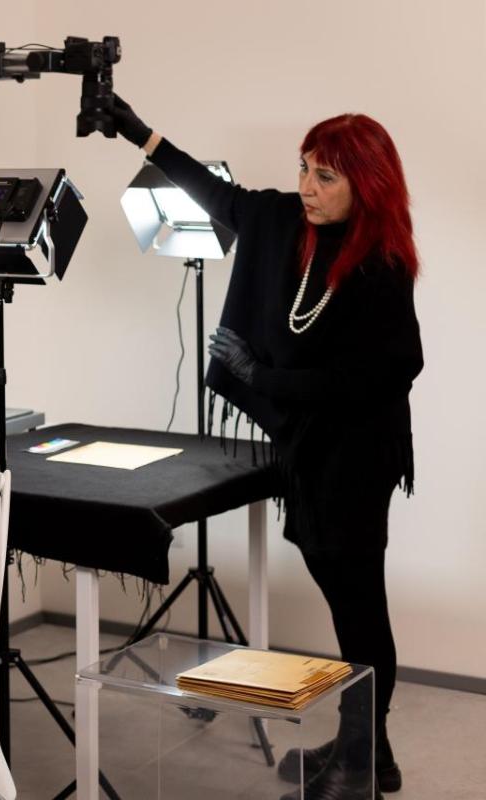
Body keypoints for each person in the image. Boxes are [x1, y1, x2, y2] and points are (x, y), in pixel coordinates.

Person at [109, 100, 422, 799]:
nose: (308, 187)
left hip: (357, 457)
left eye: (327, 177)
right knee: (347, 602)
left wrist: (264, 377)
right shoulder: (287, 222)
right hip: (308, 451)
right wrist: (140, 132)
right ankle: (368, 750)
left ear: (366, 185)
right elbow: (217, 194)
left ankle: (361, 763)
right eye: (305, 170)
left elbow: (389, 370)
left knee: (360, 605)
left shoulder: (382, 263)